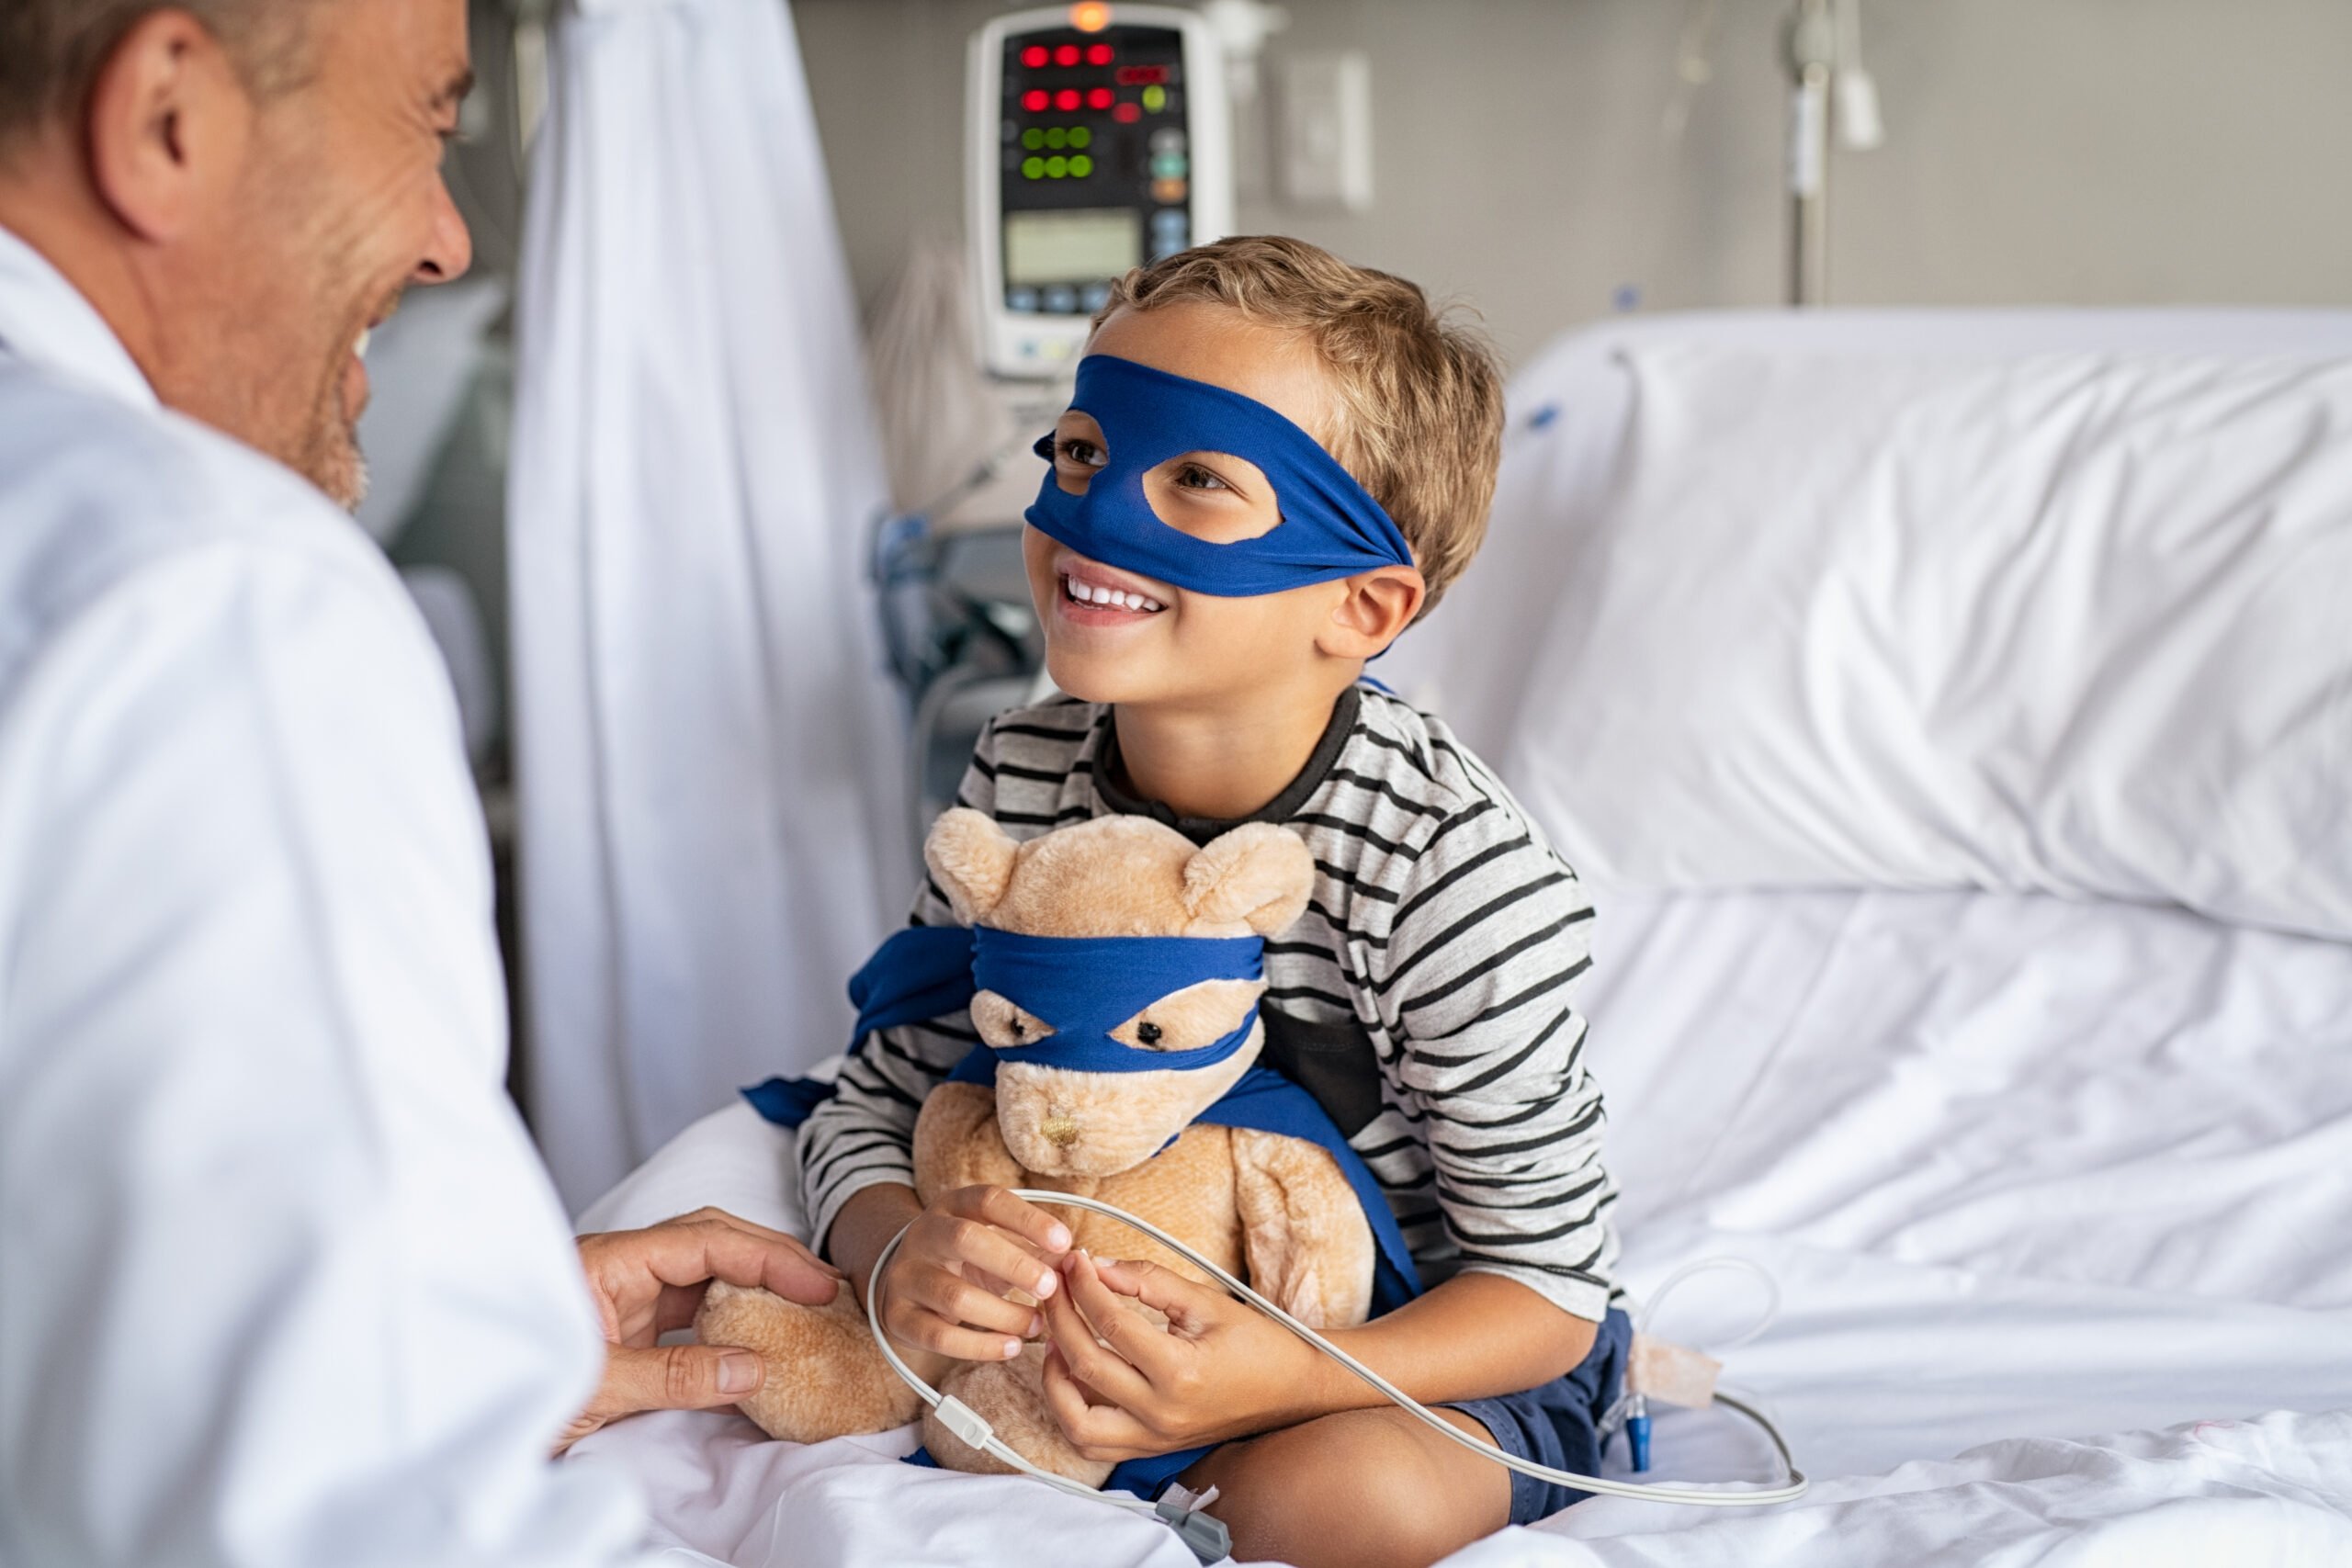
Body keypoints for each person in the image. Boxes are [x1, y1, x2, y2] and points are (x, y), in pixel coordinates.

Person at [0, 4, 840, 1562]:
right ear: (168, 118)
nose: (447, 241)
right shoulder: (211, 598)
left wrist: (458, 1357)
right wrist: (407, 1406)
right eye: (430, 129)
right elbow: (358, 1530)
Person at [797, 235, 1628, 1568]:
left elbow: (1548, 1294)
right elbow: (875, 1099)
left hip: (1390, 1345)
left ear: (1361, 603)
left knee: (1333, 1504)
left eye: (1198, 479)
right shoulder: (1019, 771)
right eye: (1078, 452)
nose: (1093, 511)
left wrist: (1282, 1376)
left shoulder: (1452, 874)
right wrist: (902, 1256)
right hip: (1090, 1319)